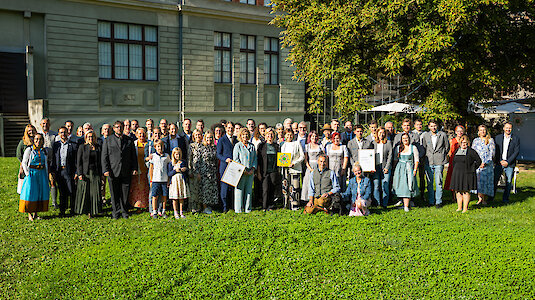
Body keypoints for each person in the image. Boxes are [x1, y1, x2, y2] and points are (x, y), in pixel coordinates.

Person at [101, 121, 138, 219]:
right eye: (117, 127)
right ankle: (116, 212)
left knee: (125, 193)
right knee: (114, 193)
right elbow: (104, 156)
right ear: (113, 128)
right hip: (113, 171)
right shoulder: (108, 140)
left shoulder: (129, 140)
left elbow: (133, 156)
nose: (119, 129)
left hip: (126, 170)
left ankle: (125, 211)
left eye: (121, 127)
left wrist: (134, 168)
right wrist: (105, 169)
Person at [19, 133, 49, 221]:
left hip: (42, 173)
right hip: (32, 173)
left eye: (40, 139)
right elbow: (24, 162)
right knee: (30, 193)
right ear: (34, 140)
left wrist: (46, 174)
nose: (38, 141)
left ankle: (36, 213)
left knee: (39, 192)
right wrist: (27, 174)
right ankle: (29, 214)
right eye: (36, 139)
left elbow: (46, 163)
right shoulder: (29, 150)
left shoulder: (44, 151)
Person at [420, 120, 449, 208]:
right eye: (431, 126)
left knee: (438, 182)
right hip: (429, 161)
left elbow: (447, 147)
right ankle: (431, 200)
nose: (433, 127)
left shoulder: (442, 135)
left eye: (435, 126)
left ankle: (438, 201)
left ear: (437, 126)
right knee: (429, 182)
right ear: (429, 127)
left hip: (439, 160)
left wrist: (442, 155)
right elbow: (424, 147)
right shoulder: (425, 135)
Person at [450, 135, 481, 212]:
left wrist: (472, 168)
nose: (464, 144)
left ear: (468, 143)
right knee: (458, 191)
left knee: (465, 191)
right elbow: (453, 161)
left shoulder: (471, 151)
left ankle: (465, 208)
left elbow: (478, 161)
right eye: (462, 143)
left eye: (465, 143)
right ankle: (459, 207)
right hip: (457, 174)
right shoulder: (456, 151)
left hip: (467, 174)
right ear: (460, 143)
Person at [74, 131, 102, 217]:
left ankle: (94, 211)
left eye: (92, 137)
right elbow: (78, 162)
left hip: (95, 173)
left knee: (95, 192)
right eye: (89, 137)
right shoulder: (82, 147)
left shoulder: (98, 147)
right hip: (85, 173)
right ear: (86, 138)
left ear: (95, 137)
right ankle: (86, 211)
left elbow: (101, 161)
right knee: (85, 193)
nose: (90, 138)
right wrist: (79, 173)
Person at [51, 126, 78, 216]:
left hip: (69, 170)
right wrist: (53, 171)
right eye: (61, 132)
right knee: (62, 191)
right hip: (59, 171)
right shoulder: (56, 145)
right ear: (59, 134)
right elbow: (54, 159)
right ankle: (62, 209)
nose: (63, 134)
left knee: (71, 190)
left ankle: (73, 209)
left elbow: (76, 160)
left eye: (64, 132)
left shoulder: (73, 145)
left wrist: (76, 172)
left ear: (68, 133)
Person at [492, 122, 520, 203]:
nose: (508, 129)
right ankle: (491, 198)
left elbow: (516, 152)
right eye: (506, 128)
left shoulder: (516, 138)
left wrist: (508, 161)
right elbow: (495, 151)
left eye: (510, 128)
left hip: (509, 164)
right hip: (499, 163)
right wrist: (500, 160)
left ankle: (505, 199)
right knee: (495, 180)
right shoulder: (497, 138)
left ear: (512, 129)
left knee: (508, 182)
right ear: (503, 128)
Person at [392, 133, 420, 212]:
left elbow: (416, 160)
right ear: (401, 139)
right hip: (400, 168)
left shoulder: (413, 148)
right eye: (403, 138)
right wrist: (395, 169)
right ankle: (404, 203)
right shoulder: (398, 148)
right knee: (401, 185)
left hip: (409, 168)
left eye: (406, 138)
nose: (405, 140)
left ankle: (406, 205)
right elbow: (395, 159)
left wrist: (415, 169)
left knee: (408, 185)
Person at [233, 128, 257, 213]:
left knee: (249, 191)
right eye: (243, 134)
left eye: (246, 134)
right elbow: (236, 159)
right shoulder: (237, 146)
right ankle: (238, 209)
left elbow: (255, 159)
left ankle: (248, 209)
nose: (245, 136)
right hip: (240, 172)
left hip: (250, 172)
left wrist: (252, 169)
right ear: (240, 136)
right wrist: (243, 170)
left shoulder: (252, 146)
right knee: (239, 190)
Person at [257, 128, 282, 211]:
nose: (270, 136)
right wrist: (258, 172)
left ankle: (271, 206)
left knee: (272, 188)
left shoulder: (277, 146)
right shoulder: (261, 146)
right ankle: (264, 206)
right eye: (268, 134)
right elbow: (259, 160)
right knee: (265, 189)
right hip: (264, 171)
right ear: (265, 135)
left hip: (274, 170)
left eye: (271, 134)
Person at [280, 129, 305, 210]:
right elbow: (281, 157)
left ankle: (295, 205)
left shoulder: (297, 143)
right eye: (287, 134)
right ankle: (286, 204)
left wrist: (294, 163)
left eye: (290, 134)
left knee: (295, 188)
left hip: (295, 169)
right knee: (285, 187)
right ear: (284, 136)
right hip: (285, 169)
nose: (289, 136)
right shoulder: (283, 145)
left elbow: (302, 156)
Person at [472, 125, 495, 206]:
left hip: (487, 165)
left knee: (486, 182)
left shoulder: (490, 140)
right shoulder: (475, 141)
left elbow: (492, 154)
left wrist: (485, 162)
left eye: (484, 130)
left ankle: (484, 199)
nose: (482, 132)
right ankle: (479, 198)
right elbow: (473, 153)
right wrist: (478, 163)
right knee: (478, 182)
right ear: (478, 132)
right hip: (478, 165)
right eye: (481, 130)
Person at [217, 122, 237, 213]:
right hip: (225, 166)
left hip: (234, 167)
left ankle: (232, 205)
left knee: (232, 188)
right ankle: (224, 207)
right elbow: (218, 154)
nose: (230, 130)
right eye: (229, 128)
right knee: (224, 188)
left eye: (232, 128)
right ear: (226, 129)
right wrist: (225, 159)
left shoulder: (236, 140)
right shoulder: (222, 140)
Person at [148, 140, 170, 218]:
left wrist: (168, 179)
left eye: (161, 146)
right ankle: (154, 211)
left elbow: (168, 167)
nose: (160, 148)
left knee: (164, 196)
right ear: (155, 147)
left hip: (164, 179)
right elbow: (151, 168)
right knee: (155, 196)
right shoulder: (153, 156)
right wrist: (151, 179)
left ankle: (163, 210)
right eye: (158, 146)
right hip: (155, 180)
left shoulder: (167, 156)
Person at [128, 128, 150, 210]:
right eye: (140, 134)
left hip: (146, 169)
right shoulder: (134, 144)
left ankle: (147, 204)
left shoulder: (149, 144)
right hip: (137, 169)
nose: (142, 135)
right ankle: (137, 205)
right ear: (136, 135)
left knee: (146, 187)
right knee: (137, 188)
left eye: (143, 133)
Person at [371, 127, 393, 208]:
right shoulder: (373, 143)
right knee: (376, 186)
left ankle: (385, 203)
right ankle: (377, 203)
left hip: (385, 167)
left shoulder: (388, 143)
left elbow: (390, 156)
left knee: (385, 185)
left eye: (383, 133)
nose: (381, 134)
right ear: (377, 133)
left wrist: (387, 167)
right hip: (376, 167)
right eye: (380, 132)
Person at [198, 130, 219, 213]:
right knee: (204, 189)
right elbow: (198, 161)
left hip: (212, 171)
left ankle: (210, 206)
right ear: (205, 138)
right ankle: (204, 207)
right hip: (204, 171)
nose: (209, 139)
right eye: (207, 137)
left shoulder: (214, 147)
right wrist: (198, 172)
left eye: (210, 137)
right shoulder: (202, 147)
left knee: (211, 189)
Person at [301, 130, 324, 203]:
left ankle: (317, 198)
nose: (314, 137)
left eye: (315, 136)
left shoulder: (320, 146)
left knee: (317, 182)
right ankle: (307, 199)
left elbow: (323, 156)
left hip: (318, 165)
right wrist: (310, 169)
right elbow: (306, 159)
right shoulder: (307, 146)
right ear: (310, 137)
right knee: (308, 181)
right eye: (312, 136)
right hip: (310, 166)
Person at [167, 147, 189, 219]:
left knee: (181, 197)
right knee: (175, 198)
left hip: (181, 181)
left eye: (179, 154)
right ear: (173, 155)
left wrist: (184, 169)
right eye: (176, 154)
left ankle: (181, 212)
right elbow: (169, 173)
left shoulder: (183, 162)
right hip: (174, 182)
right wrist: (175, 170)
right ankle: (175, 212)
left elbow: (186, 171)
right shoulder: (171, 163)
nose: (178, 156)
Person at [17, 124, 37, 195]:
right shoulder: (23, 142)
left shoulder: (37, 140)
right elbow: (19, 154)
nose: (31, 132)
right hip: (26, 165)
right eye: (29, 131)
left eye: (32, 130)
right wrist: (23, 163)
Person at [444, 125, 465, 191]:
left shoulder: (464, 140)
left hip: (462, 160)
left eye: (461, 131)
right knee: (453, 176)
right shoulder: (452, 141)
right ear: (456, 132)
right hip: (453, 160)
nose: (460, 132)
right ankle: (453, 193)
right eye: (458, 131)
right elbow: (450, 151)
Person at [188, 130, 204, 214]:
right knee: (193, 190)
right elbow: (189, 159)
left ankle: (199, 207)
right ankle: (192, 208)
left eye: (199, 135)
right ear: (194, 136)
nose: (198, 136)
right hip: (194, 171)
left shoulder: (203, 146)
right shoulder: (191, 146)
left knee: (200, 190)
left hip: (202, 171)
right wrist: (190, 170)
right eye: (196, 135)